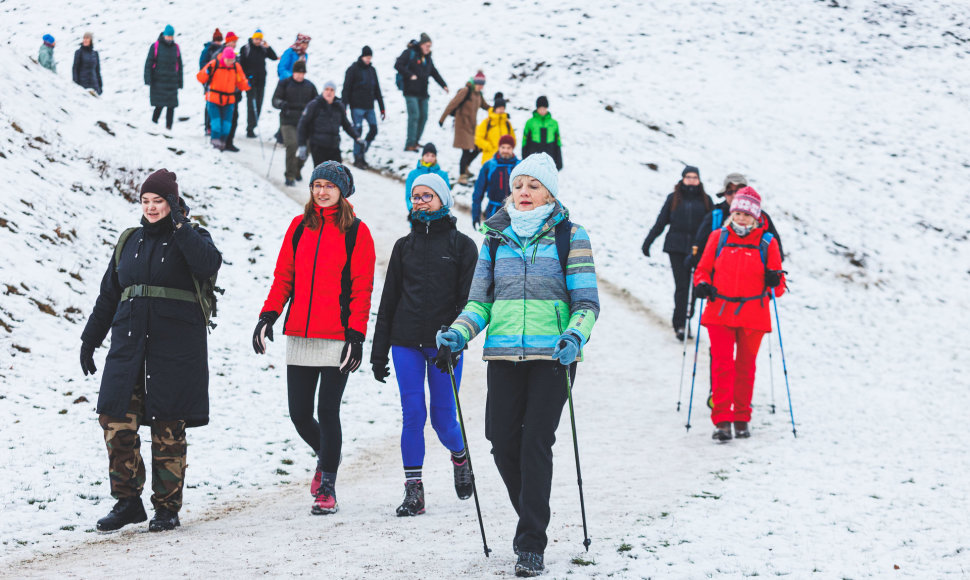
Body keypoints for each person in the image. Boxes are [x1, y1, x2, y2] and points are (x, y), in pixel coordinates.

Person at [436, 153, 600, 577]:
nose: (523, 193)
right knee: (501, 440)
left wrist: (574, 335)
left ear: (549, 192)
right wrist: (459, 331)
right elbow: (480, 302)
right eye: (518, 186)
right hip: (505, 354)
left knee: (535, 443)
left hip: (554, 357)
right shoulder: (495, 237)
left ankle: (531, 542)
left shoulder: (571, 236)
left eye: (532, 186)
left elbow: (586, 303)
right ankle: (532, 513)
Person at [80, 169, 222, 533]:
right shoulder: (130, 240)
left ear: (172, 202)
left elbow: (209, 264)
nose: (151, 208)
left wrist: (180, 225)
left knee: (167, 428)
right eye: (146, 201)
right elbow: (109, 294)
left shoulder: (191, 236)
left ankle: (166, 508)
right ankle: (128, 501)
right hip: (128, 347)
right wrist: (90, 339)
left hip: (175, 350)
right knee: (114, 420)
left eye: (158, 201)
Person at [253, 161, 376, 515]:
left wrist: (356, 335)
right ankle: (326, 456)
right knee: (299, 414)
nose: (321, 192)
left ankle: (328, 486)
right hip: (301, 335)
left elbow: (361, 289)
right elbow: (283, 278)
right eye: (317, 185)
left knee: (328, 410)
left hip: (338, 337)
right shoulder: (298, 227)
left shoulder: (357, 232)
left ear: (342, 191)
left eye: (329, 186)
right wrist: (268, 316)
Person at [371, 172, 478, 517]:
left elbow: (469, 300)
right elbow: (388, 302)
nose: (419, 201)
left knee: (443, 418)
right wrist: (378, 351)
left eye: (426, 196)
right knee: (413, 414)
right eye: (415, 196)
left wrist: (456, 340)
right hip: (405, 342)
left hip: (446, 344)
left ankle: (460, 456)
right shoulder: (404, 247)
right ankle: (414, 491)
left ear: (442, 200)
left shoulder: (462, 247)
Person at [693, 187, 785, 441]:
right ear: (732, 213)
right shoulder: (717, 237)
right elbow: (702, 270)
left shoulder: (768, 243)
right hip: (720, 311)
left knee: (746, 368)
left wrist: (773, 278)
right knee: (723, 367)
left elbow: (778, 290)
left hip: (753, 314)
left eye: (747, 214)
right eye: (738, 213)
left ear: (756, 216)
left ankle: (742, 418)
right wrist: (702, 284)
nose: (742, 218)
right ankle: (722, 421)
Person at [641, 166, 713, 341]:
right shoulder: (674, 198)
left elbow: (712, 225)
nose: (691, 180)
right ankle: (679, 324)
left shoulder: (705, 200)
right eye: (688, 177)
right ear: (682, 179)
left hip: (698, 249)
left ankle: (688, 318)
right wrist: (648, 242)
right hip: (677, 248)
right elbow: (661, 221)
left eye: (694, 177)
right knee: (682, 286)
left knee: (696, 287)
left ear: (699, 180)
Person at [690, 173, 784, 267]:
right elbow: (699, 250)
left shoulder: (762, 218)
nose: (734, 195)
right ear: (724, 194)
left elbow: (777, 253)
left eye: (739, 191)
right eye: (730, 191)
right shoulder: (715, 215)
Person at [394, 33, 448, 152]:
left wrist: (443, 85)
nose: (429, 48)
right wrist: (410, 75)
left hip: (423, 93)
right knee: (414, 116)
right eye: (427, 45)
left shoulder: (427, 57)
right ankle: (410, 144)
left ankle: (416, 141)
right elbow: (397, 65)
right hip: (410, 92)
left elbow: (434, 72)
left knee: (423, 117)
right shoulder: (410, 53)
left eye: (430, 46)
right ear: (421, 44)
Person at [296, 81, 364, 166]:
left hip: (334, 145)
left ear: (334, 92)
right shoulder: (314, 105)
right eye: (327, 89)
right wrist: (302, 145)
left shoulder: (339, 106)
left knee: (337, 173)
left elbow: (346, 125)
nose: (329, 92)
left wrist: (357, 137)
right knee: (322, 174)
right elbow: (302, 125)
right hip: (318, 145)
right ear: (323, 91)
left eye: (332, 90)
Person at [438, 70, 489, 184]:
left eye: (482, 84)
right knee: (466, 151)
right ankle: (462, 175)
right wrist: (442, 119)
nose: (481, 86)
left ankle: (465, 167)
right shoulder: (466, 91)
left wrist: (499, 110)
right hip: (462, 126)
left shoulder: (478, 95)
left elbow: (486, 106)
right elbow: (452, 104)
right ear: (475, 82)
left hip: (472, 127)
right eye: (479, 83)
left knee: (478, 147)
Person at [272, 60, 318, 186]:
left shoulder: (310, 86)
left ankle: (297, 168)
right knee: (292, 145)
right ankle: (290, 175)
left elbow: (317, 103)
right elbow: (275, 100)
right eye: (297, 72)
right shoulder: (284, 84)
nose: (299, 75)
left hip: (304, 123)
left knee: (308, 147)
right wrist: (281, 104)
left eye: (302, 73)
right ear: (293, 72)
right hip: (287, 121)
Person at [197, 47, 251, 150]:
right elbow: (200, 77)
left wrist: (248, 84)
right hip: (213, 99)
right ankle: (215, 145)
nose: (230, 62)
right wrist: (206, 72)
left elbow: (241, 83)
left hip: (229, 100)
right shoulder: (214, 64)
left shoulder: (236, 67)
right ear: (224, 58)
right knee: (216, 124)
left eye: (232, 60)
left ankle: (223, 144)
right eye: (228, 60)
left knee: (226, 126)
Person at [342, 46, 385, 169]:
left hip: (369, 106)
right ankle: (358, 157)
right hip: (356, 107)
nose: (368, 59)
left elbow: (377, 89)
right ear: (362, 56)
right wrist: (344, 106)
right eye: (367, 57)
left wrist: (382, 108)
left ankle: (363, 150)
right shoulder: (353, 69)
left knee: (373, 129)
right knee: (358, 131)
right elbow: (346, 89)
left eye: (370, 57)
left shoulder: (372, 70)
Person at [471, 134, 518, 229]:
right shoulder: (489, 166)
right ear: (499, 147)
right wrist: (476, 214)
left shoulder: (519, 166)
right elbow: (478, 192)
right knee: (493, 241)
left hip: (515, 212)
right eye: (503, 147)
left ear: (512, 149)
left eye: (508, 148)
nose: (505, 150)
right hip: (493, 212)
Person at [239, 30, 278, 138]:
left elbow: (274, 57)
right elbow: (241, 64)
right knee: (252, 105)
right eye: (256, 39)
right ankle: (249, 128)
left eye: (260, 39)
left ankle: (253, 125)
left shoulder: (263, 49)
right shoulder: (246, 48)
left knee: (259, 104)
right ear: (253, 38)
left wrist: (268, 47)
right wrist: (246, 77)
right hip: (250, 82)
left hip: (261, 81)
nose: (258, 41)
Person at [144, 25, 183, 131]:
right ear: (164, 35)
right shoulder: (155, 46)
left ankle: (169, 128)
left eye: (171, 36)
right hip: (158, 81)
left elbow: (179, 66)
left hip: (172, 82)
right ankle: (153, 125)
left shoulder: (176, 48)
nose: (170, 38)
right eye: (168, 36)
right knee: (159, 105)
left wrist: (180, 82)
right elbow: (149, 63)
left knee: (171, 107)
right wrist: (148, 78)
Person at [403, 143, 450, 211]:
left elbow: (446, 196)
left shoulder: (443, 175)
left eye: (433, 155)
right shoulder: (413, 174)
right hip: (418, 212)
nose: (430, 158)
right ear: (423, 156)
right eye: (427, 155)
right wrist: (411, 210)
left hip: (437, 213)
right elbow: (409, 195)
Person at [521, 96, 562, 170]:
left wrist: (559, 161)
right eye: (540, 109)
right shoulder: (530, 122)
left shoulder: (554, 123)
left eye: (544, 108)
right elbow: (524, 141)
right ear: (537, 108)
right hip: (534, 154)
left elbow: (558, 142)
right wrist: (524, 157)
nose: (542, 111)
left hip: (550, 153)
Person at [474, 94, 515, 166]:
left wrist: (508, 149)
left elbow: (513, 139)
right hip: (489, 158)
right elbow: (478, 138)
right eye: (499, 108)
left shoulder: (507, 123)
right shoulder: (487, 122)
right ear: (495, 108)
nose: (501, 110)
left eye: (503, 108)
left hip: (504, 158)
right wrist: (488, 146)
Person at [221, 32, 243, 151]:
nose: (235, 44)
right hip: (222, 94)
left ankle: (228, 142)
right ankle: (222, 142)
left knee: (233, 119)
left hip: (235, 93)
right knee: (224, 120)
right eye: (233, 42)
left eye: (236, 42)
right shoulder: (220, 54)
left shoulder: (237, 55)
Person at [198, 28, 223, 136]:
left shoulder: (222, 50)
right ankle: (207, 126)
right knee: (209, 103)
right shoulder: (207, 50)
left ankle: (215, 126)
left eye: (219, 40)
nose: (218, 43)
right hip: (209, 81)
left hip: (219, 81)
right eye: (217, 40)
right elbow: (202, 65)